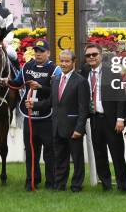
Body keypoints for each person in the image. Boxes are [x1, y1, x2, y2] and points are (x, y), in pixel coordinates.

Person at [27, 49, 89, 192]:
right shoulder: (55, 80)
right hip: (57, 127)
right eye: (62, 61)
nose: (64, 64)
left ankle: (76, 186)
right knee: (60, 159)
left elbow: (83, 108)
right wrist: (34, 104)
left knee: (77, 160)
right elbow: (51, 102)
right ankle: (60, 185)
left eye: (67, 61)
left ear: (73, 62)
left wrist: (79, 129)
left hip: (74, 128)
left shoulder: (81, 81)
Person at [6, 38, 56, 191]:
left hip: (47, 116)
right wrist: (5, 81)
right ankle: (31, 181)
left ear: (48, 53)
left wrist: (41, 87)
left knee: (49, 152)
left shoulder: (55, 69)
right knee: (31, 152)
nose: (38, 54)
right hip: (29, 116)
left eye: (41, 51)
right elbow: (16, 82)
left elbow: (57, 92)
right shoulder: (27, 66)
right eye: (36, 51)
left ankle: (51, 182)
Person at [80, 42, 126, 192]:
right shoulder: (84, 72)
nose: (91, 57)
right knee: (99, 154)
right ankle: (106, 185)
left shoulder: (112, 72)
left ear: (101, 55)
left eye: (94, 54)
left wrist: (120, 118)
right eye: (88, 55)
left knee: (117, 154)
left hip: (112, 120)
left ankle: (123, 186)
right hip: (94, 119)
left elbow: (121, 97)